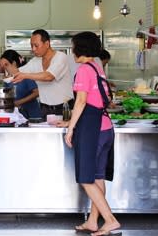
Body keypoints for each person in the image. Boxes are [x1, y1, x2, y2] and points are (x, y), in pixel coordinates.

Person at [58, 31, 120, 236]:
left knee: (86, 178)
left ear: (80, 48)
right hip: (105, 127)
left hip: (92, 129)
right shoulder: (97, 67)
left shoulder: (84, 69)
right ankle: (93, 221)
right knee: (98, 176)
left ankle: (110, 220)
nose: (72, 50)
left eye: (74, 46)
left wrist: (70, 127)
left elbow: (82, 101)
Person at [12, 29, 74, 118]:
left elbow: (49, 76)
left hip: (64, 108)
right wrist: (8, 72)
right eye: (31, 46)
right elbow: (18, 72)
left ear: (47, 44)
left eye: (36, 45)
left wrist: (25, 76)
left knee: (65, 132)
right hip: (45, 109)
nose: (33, 49)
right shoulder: (35, 61)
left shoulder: (61, 57)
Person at [0, 49, 42, 119]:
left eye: (6, 65)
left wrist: (20, 102)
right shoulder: (7, 80)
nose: (4, 68)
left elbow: (37, 92)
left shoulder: (25, 75)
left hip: (31, 116)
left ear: (14, 63)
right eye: (2, 66)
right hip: (17, 116)